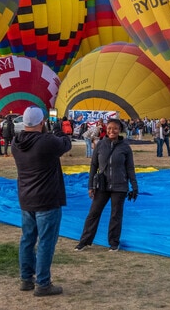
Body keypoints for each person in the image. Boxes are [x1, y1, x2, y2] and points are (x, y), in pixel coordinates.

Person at [11, 106, 72, 297]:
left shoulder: (15, 142)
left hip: (26, 198)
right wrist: (60, 130)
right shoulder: (46, 142)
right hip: (46, 199)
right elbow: (66, 144)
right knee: (46, 241)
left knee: (27, 239)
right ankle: (43, 283)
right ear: (42, 122)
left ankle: (26, 279)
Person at [75, 118, 139, 252]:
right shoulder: (100, 145)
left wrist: (134, 186)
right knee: (93, 213)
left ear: (120, 130)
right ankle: (84, 241)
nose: (112, 131)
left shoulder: (125, 147)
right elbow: (93, 166)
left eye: (115, 128)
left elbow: (130, 168)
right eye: (109, 128)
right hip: (102, 185)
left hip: (119, 185)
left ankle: (114, 243)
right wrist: (90, 186)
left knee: (116, 215)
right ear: (105, 129)